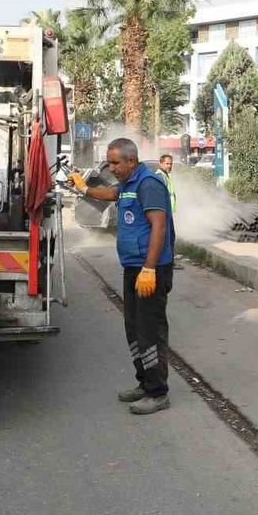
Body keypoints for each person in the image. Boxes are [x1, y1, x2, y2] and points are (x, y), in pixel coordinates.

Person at [70, 138, 175, 415]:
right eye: (110, 162)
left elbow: (159, 227)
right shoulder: (129, 184)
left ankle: (158, 392)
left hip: (150, 269)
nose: (112, 167)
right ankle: (144, 383)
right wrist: (84, 188)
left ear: (131, 160)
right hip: (133, 268)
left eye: (116, 162)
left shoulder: (148, 184)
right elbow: (111, 194)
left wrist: (150, 268)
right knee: (134, 328)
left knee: (150, 331)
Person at [155, 154, 183, 269]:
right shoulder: (160, 176)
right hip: (164, 214)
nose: (170, 166)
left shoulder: (165, 175)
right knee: (168, 238)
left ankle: (167, 262)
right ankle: (168, 263)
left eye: (171, 164)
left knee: (169, 237)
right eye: (167, 163)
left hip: (167, 212)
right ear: (160, 163)